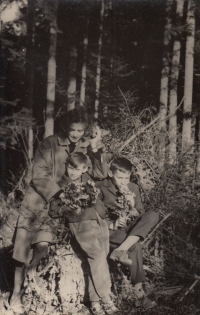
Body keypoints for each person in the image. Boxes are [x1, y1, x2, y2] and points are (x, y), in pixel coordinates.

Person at [10, 106, 109, 313]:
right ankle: (15, 297)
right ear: (66, 127)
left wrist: (95, 149)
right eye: (73, 130)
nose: (76, 134)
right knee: (21, 250)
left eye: (80, 131)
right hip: (36, 201)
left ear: (85, 130)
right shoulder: (50, 143)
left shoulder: (84, 146)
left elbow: (99, 174)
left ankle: (33, 268)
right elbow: (38, 174)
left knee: (42, 245)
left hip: (56, 206)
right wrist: (60, 193)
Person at [49, 152, 121, 315]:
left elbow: (101, 173)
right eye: (70, 167)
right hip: (80, 223)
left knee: (100, 257)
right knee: (96, 256)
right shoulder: (61, 186)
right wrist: (68, 208)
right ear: (66, 166)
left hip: (99, 219)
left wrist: (104, 216)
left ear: (84, 169)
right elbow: (53, 211)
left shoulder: (87, 178)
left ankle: (94, 302)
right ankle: (106, 299)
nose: (72, 172)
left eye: (77, 169)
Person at [96, 157, 159, 301]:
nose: (124, 182)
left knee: (153, 215)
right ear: (111, 174)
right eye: (120, 178)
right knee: (135, 246)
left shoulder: (133, 187)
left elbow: (140, 212)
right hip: (111, 230)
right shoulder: (100, 186)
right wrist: (112, 224)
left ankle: (120, 249)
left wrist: (132, 206)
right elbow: (95, 215)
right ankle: (138, 290)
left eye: (127, 178)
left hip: (129, 227)